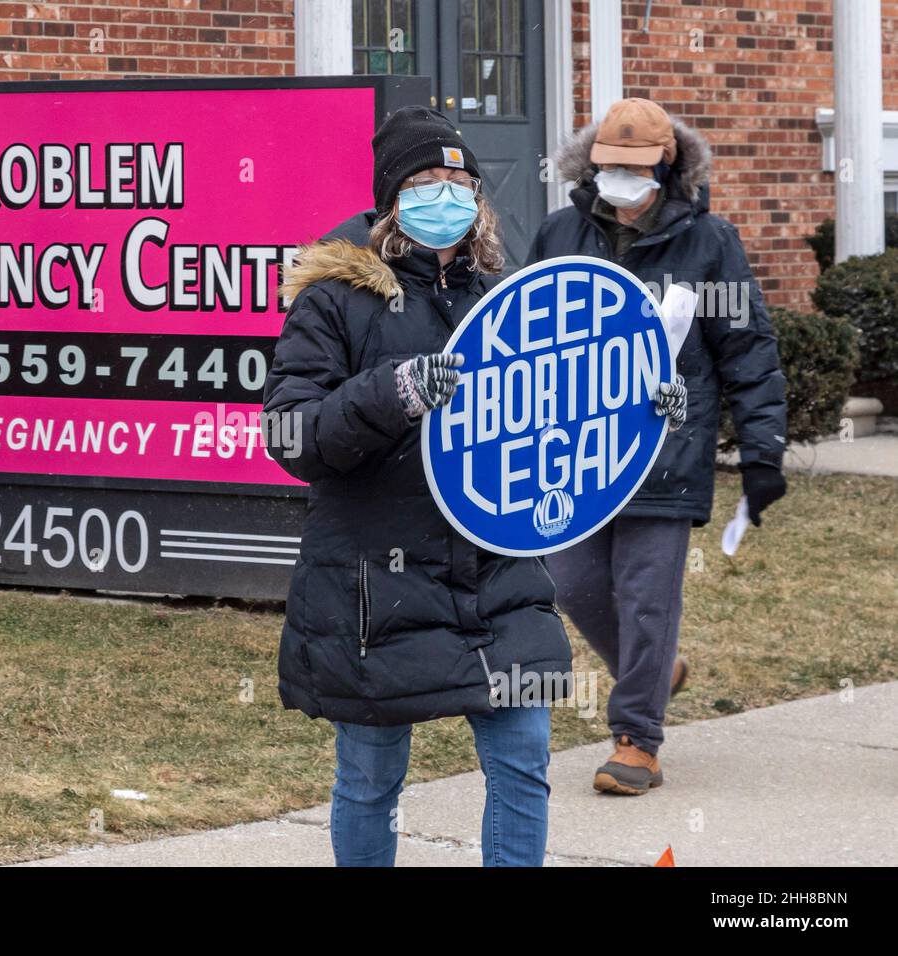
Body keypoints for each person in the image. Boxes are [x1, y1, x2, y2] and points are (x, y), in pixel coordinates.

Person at [261, 106, 574, 866]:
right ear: (391, 200)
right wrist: (393, 391)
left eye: (459, 182)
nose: (447, 197)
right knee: (371, 777)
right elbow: (292, 435)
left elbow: (557, 414)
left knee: (524, 761)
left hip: (496, 574)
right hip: (376, 585)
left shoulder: (501, 298)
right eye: (425, 182)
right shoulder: (334, 298)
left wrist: (642, 408)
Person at [526, 97, 788, 795]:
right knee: (570, 581)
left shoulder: (711, 242)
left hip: (665, 449)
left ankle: (636, 738)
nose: (624, 183)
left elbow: (748, 350)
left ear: (668, 169)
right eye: (612, 168)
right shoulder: (559, 234)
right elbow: (524, 338)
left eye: (638, 170)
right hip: (576, 453)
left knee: (646, 596)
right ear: (593, 164)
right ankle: (656, 671)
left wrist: (762, 448)